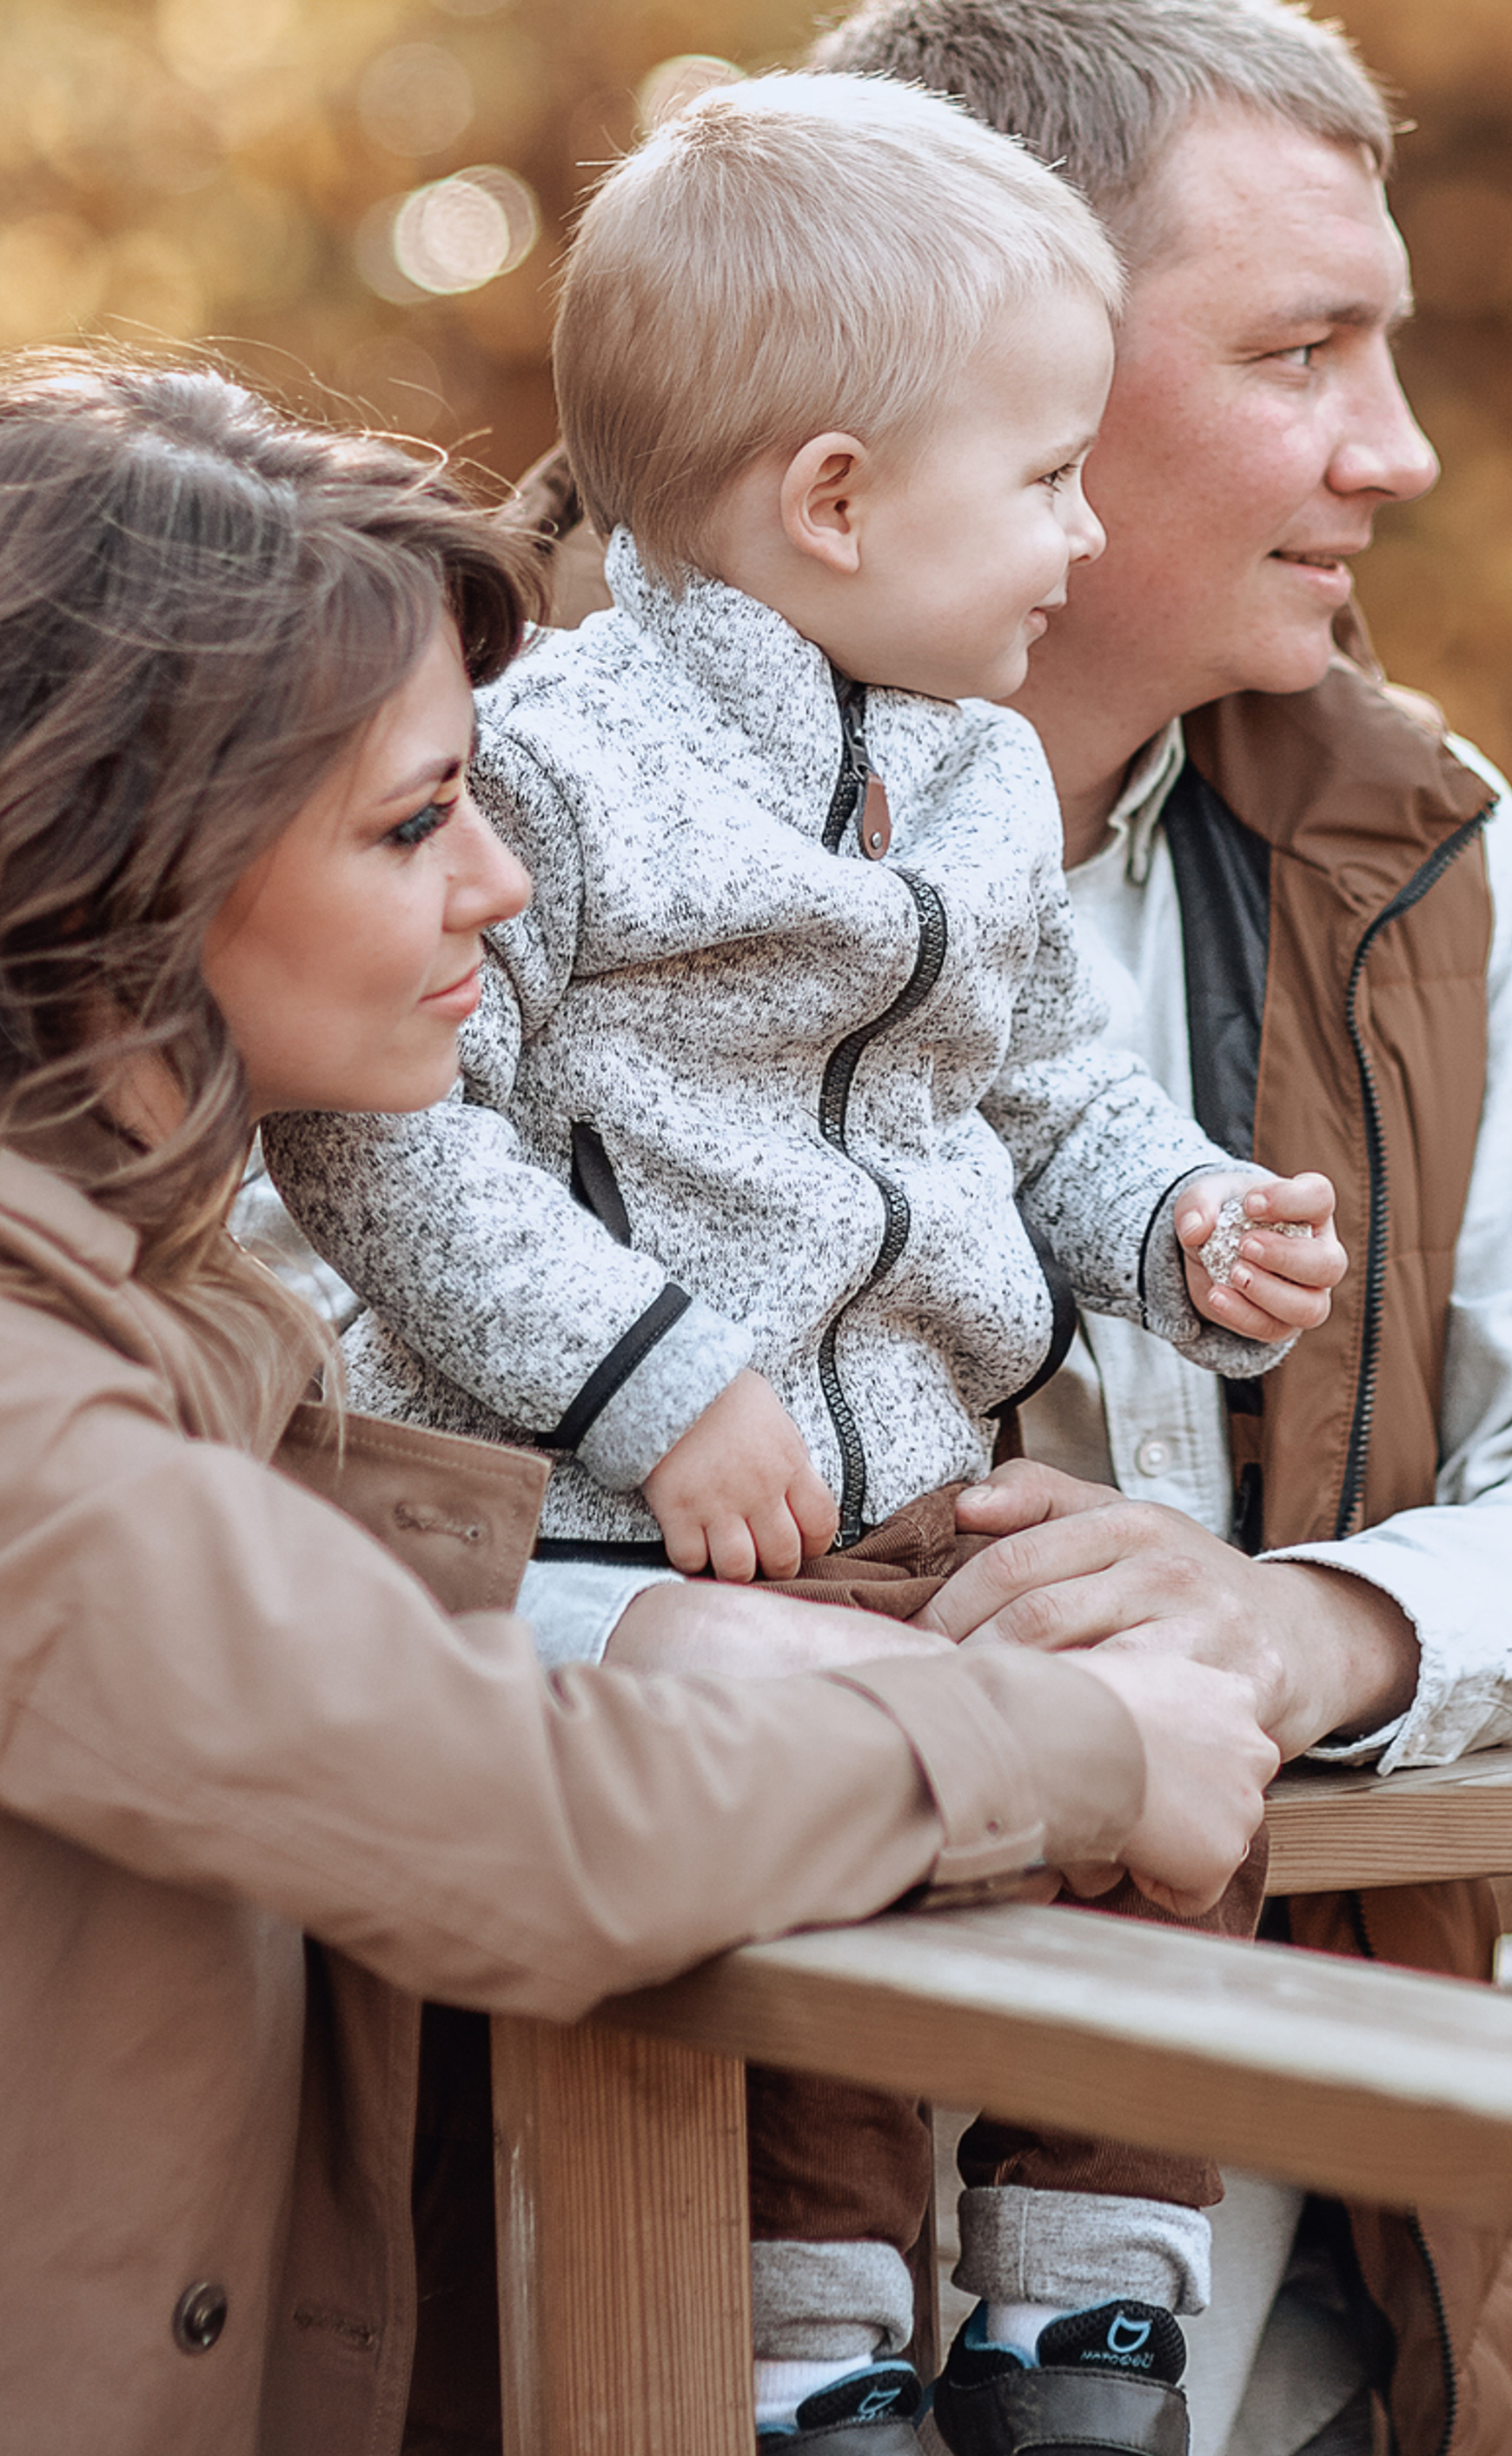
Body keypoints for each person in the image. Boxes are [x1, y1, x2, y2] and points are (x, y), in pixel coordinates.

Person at [513, 0, 1512, 2456]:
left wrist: (1304, 1628)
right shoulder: (453, 800)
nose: (1399, 452)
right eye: (1301, 352)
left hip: (1279, 2356)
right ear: (958, 383)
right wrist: (710, 1647)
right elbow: (258, 1527)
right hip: (612, 2311)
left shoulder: (1413, 847)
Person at [0, 355, 1281, 2456]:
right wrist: (1079, 1745)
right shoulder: (33, 1402)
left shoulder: (165, 1323)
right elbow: (499, 1822)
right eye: (413, 822)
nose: (499, 885)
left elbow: (263, 1621)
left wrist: (625, 1620)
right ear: (123, 874)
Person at [266, 73, 1347, 2456]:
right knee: (816, 1867)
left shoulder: (973, 768)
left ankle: (1087, 2313)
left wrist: (1176, 1221)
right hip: (636, 1512)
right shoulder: (548, 770)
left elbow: (1037, 1086)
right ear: (836, 500)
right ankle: (812, 2351)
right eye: (1045, 477)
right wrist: (650, 1377)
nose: (1082, 532)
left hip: (916, 1479)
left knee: (1177, 1735)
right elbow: (383, 1147)